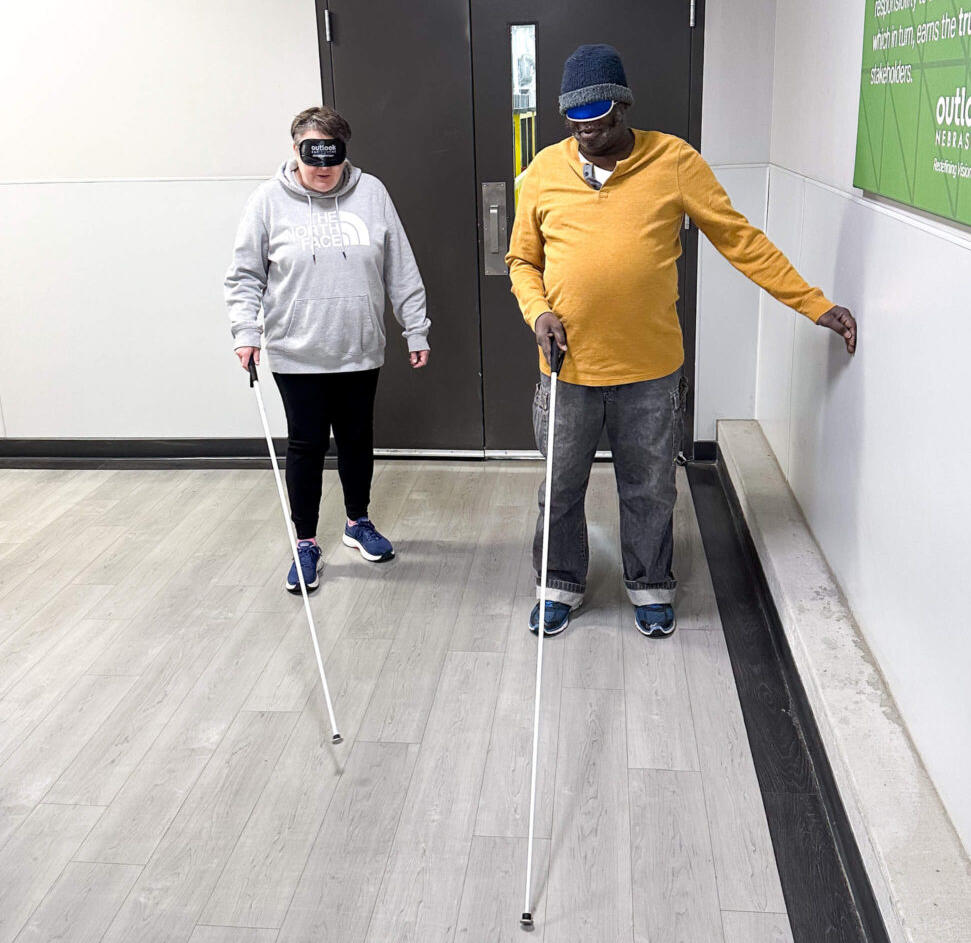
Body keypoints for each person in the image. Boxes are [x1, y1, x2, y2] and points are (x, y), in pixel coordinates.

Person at [507, 44, 856, 639]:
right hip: (567, 368)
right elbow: (521, 260)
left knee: (650, 487)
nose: (589, 136)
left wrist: (813, 303)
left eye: (602, 124)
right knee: (560, 488)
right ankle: (558, 582)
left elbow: (739, 239)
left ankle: (649, 584)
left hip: (650, 371)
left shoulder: (674, 161)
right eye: (577, 126)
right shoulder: (543, 170)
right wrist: (538, 313)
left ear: (624, 109)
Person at [225, 106, 430, 593]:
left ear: (345, 153)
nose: (322, 167)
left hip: (359, 346)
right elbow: (245, 274)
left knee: (358, 439)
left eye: (331, 156)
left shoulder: (372, 192)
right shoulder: (267, 201)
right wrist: (245, 332)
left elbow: (400, 266)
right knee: (307, 444)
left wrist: (415, 328)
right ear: (294, 150)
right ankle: (306, 542)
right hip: (298, 350)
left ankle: (357, 522)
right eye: (311, 155)